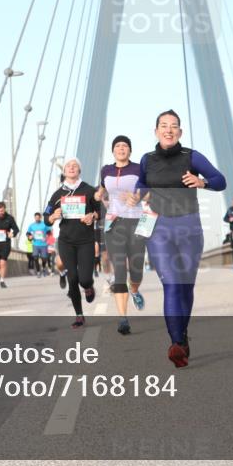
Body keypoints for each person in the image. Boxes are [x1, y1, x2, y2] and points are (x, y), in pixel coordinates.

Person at [135, 109, 226, 367]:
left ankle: (182, 337)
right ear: (156, 131)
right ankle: (176, 343)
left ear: (180, 132)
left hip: (189, 228)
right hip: (159, 228)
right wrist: (139, 195)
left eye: (174, 126)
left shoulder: (191, 157)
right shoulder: (147, 160)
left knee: (186, 286)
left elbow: (220, 180)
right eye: (164, 125)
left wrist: (201, 182)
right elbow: (141, 184)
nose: (169, 129)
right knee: (172, 284)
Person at [97, 135, 147, 335]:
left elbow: (149, 191)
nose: (121, 148)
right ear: (113, 150)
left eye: (125, 145)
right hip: (114, 224)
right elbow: (101, 190)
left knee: (136, 270)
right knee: (119, 269)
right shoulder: (106, 170)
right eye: (117, 145)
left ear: (130, 150)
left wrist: (137, 197)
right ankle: (123, 318)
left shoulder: (138, 169)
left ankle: (134, 290)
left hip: (136, 222)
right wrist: (100, 198)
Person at [46, 158, 101, 328]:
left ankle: (88, 287)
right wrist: (52, 217)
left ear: (79, 171)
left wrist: (93, 216)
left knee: (84, 279)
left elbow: (100, 211)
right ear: (64, 171)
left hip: (85, 240)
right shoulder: (57, 194)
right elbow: (47, 217)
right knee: (72, 276)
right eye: (68, 166)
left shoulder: (89, 190)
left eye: (75, 166)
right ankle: (79, 316)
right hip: (66, 241)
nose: (71, 168)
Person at [28, 212, 52, 278]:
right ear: (34, 218)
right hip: (35, 244)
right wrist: (30, 237)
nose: (37, 219)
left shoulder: (44, 225)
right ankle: (38, 272)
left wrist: (46, 237)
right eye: (36, 217)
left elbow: (49, 232)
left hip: (43, 244)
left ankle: (43, 268)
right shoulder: (31, 225)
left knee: (44, 258)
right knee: (35, 257)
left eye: (38, 217)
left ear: (40, 218)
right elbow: (28, 233)